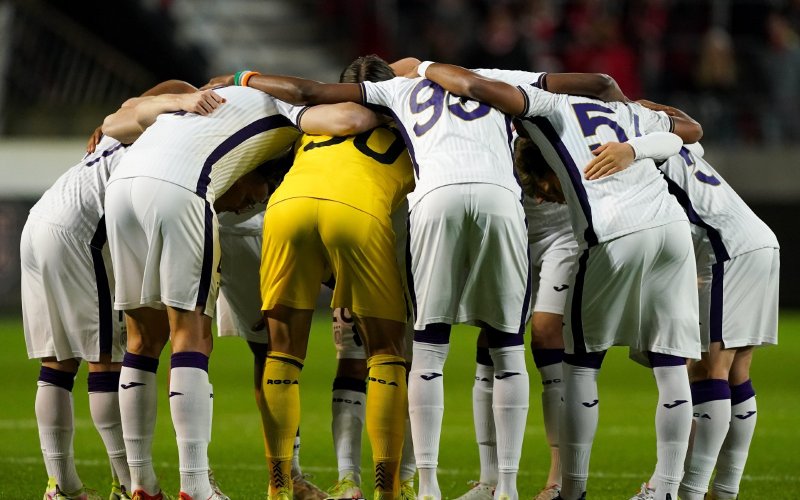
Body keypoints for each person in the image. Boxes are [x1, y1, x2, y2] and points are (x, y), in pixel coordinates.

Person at [225, 57, 628, 500]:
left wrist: (241, 78)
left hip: (310, 212)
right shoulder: (429, 99)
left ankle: (303, 483)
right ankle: (419, 485)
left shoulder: (334, 116)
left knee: (318, 353)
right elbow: (587, 85)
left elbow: (307, 95)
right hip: (407, 219)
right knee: (430, 353)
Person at [415, 61, 703, 500]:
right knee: (497, 341)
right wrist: (636, 131)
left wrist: (421, 67)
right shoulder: (626, 115)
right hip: (657, 227)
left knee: (570, 351)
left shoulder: (545, 104)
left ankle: (565, 485)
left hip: (590, 229)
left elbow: (475, 83)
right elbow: (687, 131)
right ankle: (495, 480)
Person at [21, 80, 226, 500]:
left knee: (56, 364)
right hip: (80, 235)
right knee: (107, 361)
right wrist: (186, 98)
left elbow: (133, 106)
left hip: (39, 219)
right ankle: (132, 483)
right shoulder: (161, 140)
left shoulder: (114, 134)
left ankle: (62, 485)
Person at [101, 80, 300, 500]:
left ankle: (141, 484)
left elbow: (114, 122)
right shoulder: (287, 112)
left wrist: (176, 97)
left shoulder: (199, 109)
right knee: (192, 335)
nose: (249, 206)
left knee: (141, 339)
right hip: (181, 187)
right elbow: (325, 104)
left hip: (120, 189)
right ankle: (194, 485)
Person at [252, 55, 415, 500]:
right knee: (385, 353)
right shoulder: (414, 125)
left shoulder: (315, 122)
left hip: (287, 208)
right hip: (359, 214)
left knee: (283, 353)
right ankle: (387, 490)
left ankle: (279, 486)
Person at [590, 140, 779, 500]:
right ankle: (723, 491)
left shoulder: (627, 157)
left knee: (709, 370)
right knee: (737, 370)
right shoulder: (661, 140)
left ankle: (687, 492)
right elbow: (697, 140)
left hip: (724, 249)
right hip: (754, 239)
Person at [456, 137, 579, 500]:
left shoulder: (556, 127)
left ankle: (557, 480)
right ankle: (488, 480)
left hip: (563, 233)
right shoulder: (491, 134)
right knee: (493, 338)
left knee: (545, 333)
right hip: (513, 234)